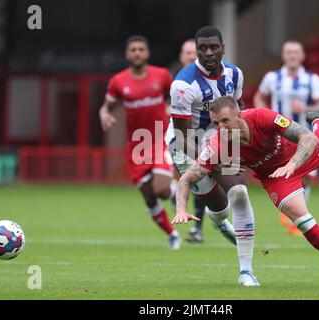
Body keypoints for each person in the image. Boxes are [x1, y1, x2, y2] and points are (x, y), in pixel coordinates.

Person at [172, 96, 319, 288]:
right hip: (275, 176)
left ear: (240, 115)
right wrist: (181, 209)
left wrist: (293, 164)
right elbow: (187, 178)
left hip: (297, 155)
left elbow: (307, 138)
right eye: (216, 123)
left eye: (225, 121)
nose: (221, 128)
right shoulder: (218, 145)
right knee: (304, 222)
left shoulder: (263, 116)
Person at [167, 26, 255, 246]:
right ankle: (219, 222)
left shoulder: (235, 74)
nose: (209, 53)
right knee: (220, 206)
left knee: (239, 191)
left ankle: (246, 264)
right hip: (185, 145)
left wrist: (242, 141)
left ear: (223, 49)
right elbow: (181, 134)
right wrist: (211, 163)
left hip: (217, 139)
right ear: (196, 51)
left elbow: (239, 108)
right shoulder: (183, 85)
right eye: (203, 48)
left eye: (214, 47)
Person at [99, 35, 181, 250]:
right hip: (136, 145)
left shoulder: (162, 75)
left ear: (147, 53)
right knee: (149, 196)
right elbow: (105, 107)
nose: (137, 53)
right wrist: (104, 115)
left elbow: (175, 96)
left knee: (161, 190)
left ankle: (173, 192)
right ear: (128, 54)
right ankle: (172, 234)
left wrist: (171, 107)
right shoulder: (118, 81)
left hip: (159, 137)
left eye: (141, 49)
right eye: (133, 50)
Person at [253, 40, 319, 236]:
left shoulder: (312, 79)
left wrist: (305, 109)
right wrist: (268, 114)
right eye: (289, 52)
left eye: (296, 52)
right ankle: (291, 211)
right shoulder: (272, 77)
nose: (292, 55)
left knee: (307, 177)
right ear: (283, 55)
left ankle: (297, 217)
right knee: (280, 172)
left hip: (303, 136)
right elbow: (259, 97)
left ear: (302, 56)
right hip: (279, 136)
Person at [173, 39, 207, 244]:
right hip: (170, 135)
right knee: (168, 182)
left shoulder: (208, 79)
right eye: (188, 53)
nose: (192, 56)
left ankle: (197, 228)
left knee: (197, 180)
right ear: (180, 56)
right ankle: (180, 216)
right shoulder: (176, 81)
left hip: (198, 137)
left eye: (195, 52)